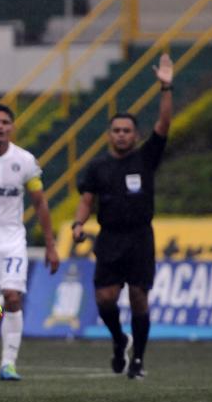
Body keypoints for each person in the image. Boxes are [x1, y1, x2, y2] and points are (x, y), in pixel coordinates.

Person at [73, 52, 174, 380]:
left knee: (139, 297)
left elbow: (164, 125)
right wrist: (78, 224)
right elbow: (87, 200)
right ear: (109, 134)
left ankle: (139, 361)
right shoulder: (98, 167)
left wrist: (165, 88)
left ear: (135, 134)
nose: (121, 135)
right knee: (105, 300)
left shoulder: (146, 158)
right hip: (110, 238)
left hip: (140, 237)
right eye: (116, 130)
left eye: (126, 130)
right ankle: (119, 339)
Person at [0, 103, 60, 381]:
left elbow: (40, 203)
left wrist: (50, 244)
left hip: (12, 239)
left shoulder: (25, 161)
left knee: (12, 297)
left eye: (5, 122)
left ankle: (8, 363)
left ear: (12, 127)